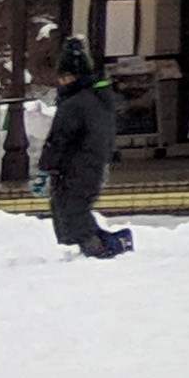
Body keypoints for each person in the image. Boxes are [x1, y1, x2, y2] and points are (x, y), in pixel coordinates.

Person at [36, 40, 131, 259]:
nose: (61, 82)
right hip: (91, 164)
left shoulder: (75, 104)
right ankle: (101, 246)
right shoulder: (98, 99)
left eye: (65, 77)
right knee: (75, 207)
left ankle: (100, 249)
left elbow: (58, 139)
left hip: (75, 166)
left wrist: (45, 167)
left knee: (71, 207)